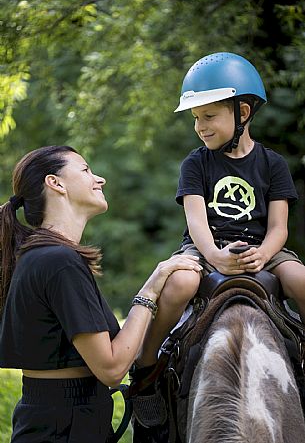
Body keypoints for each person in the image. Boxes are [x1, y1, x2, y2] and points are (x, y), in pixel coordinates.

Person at [0, 145, 202, 443]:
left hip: (63, 419)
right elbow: (112, 368)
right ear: (55, 183)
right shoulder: (58, 261)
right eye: (85, 170)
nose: (100, 179)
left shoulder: (43, 256)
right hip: (66, 427)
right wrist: (151, 289)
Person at [135, 51, 305, 383]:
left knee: (301, 280)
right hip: (204, 248)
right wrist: (214, 256)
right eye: (196, 118)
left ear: (242, 112)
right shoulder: (195, 164)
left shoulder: (274, 164)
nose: (200, 127)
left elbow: (278, 227)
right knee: (181, 282)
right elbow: (196, 222)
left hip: (261, 249)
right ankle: (146, 364)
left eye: (209, 116)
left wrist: (266, 254)